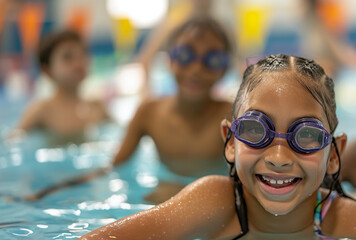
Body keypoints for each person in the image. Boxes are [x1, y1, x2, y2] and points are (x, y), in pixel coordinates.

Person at [78, 55, 356, 240]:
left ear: (334, 153)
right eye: (256, 130)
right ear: (230, 140)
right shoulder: (216, 202)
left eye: (305, 136)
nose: (278, 158)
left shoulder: (341, 220)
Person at [27, 16, 232, 203]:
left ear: (224, 69)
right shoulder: (149, 113)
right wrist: (54, 190)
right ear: (170, 59)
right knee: (160, 194)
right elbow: (113, 167)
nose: (196, 69)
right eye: (186, 55)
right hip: (167, 192)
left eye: (211, 60)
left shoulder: (232, 116)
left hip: (217, 198)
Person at [14, 29, 108, 144]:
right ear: (47, 70)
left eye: (83, 53)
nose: (79, 62)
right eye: (67, 57)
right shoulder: (42, 111)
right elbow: (13, 141)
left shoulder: (97, 107)